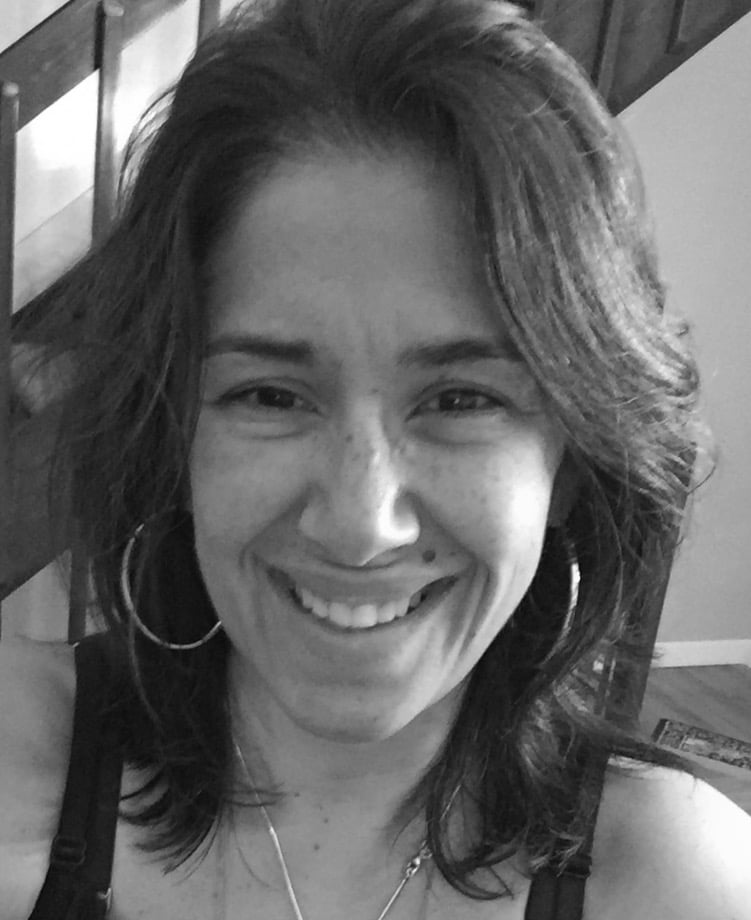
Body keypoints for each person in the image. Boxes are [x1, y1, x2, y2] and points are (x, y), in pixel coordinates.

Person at [2, 0, 750, 917]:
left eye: (461, 399)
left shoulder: (682, 883)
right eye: (269, 395)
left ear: (569, 462)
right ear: (173, 441)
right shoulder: (14, 763)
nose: (359, 526)